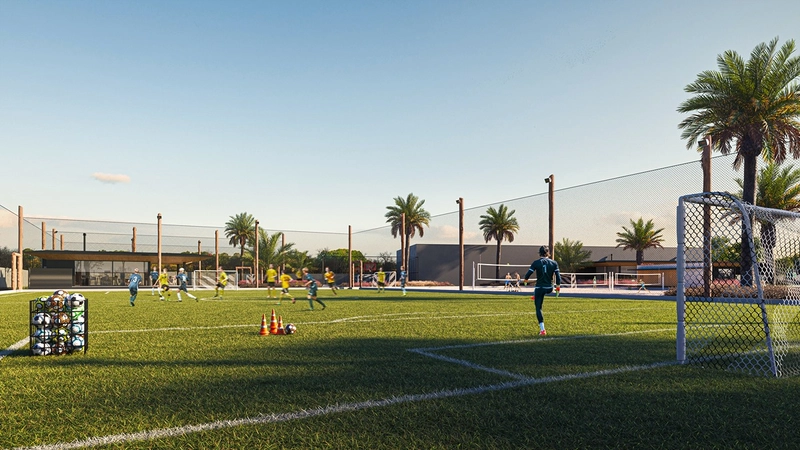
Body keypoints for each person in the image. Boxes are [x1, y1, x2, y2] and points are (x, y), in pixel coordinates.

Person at [523, 246, 562, 336]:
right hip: (549, 288)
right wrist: (558, 287)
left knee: (538, 308)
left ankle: (542, 330)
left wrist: (525, 281)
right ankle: (536, 296)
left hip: (540, 288)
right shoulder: (554, 263)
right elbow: (558, 276)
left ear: (539, 253)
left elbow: (528, 274)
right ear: (548, 253)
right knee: (541, 293)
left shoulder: (536, 263)